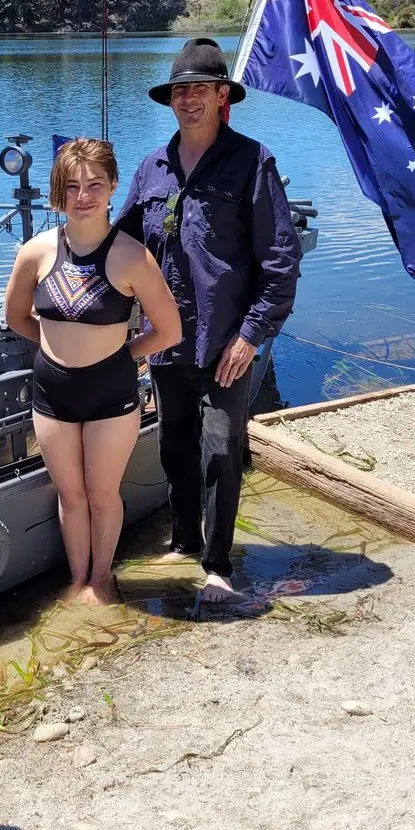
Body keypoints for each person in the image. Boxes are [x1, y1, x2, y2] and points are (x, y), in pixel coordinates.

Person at [116, 38, 303, 604]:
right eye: (180, 90)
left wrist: (251, 336)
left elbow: (281, 260)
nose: (188, 100)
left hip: (225, 341)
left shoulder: (253, 161)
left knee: (220, 447)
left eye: (200, 89)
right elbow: (120, 246)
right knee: (174, 443)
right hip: (169, 341)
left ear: (224, 96)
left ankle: (219, 564)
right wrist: (60, 263)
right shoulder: (152, 167)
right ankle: (183, 540)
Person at [4, 139, 182, 605]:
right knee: (71, 496)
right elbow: (16, 317)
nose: (83, 196)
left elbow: (169, 329)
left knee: (103, 495)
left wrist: (123, 355)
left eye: (94, 185)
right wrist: (54, 349)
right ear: (57, 193)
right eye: (72, 186)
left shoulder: (132, 257)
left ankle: (101, 580)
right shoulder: (35, 252)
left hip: (111, 394)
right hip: (52, 394)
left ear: (112, 188)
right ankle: (76, 577)